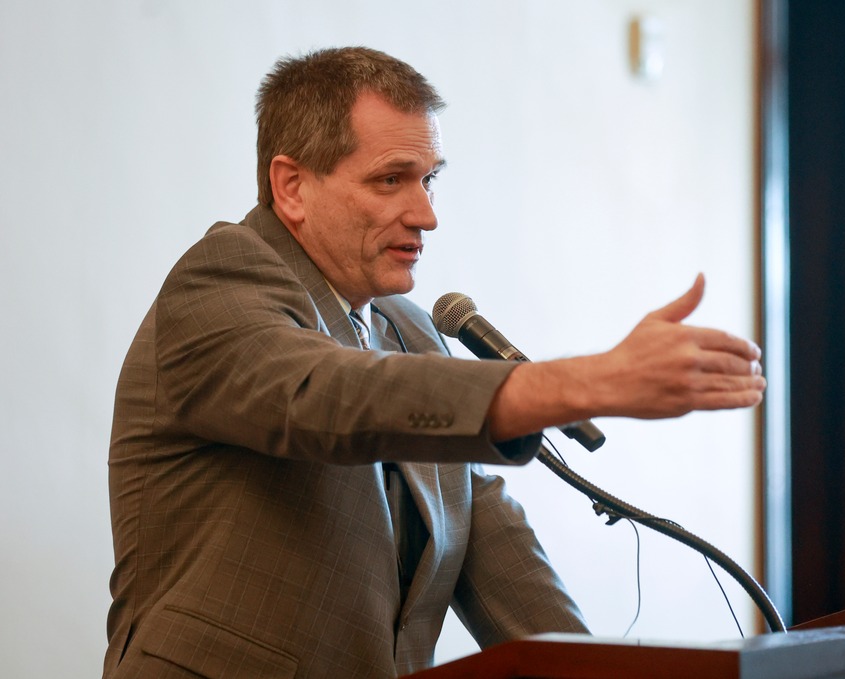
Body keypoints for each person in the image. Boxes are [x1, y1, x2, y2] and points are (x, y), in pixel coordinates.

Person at [103, 46, 765, 679]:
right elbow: (331, 396)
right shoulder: (218, 281)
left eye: (429, 180)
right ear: (292, 186)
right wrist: (589, 380)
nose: (426, 214)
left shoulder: (411, 333)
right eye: (391, 179)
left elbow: (506, 567)